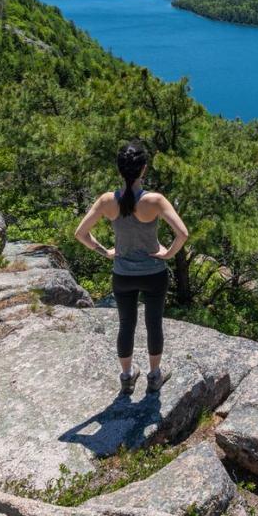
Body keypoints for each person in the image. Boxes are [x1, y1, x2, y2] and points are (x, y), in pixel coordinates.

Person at [75, 141, 188, 395]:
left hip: (122, 274)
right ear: (143, 169)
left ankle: (126, 378)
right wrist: (166, 254)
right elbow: (182, 234)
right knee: (154, 324)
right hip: (154, 274)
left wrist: (105, 252)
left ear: (119, 171)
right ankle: (154, 376)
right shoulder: (155, 201)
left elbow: (80, 234)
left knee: (126, 324)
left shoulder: (107, 201)